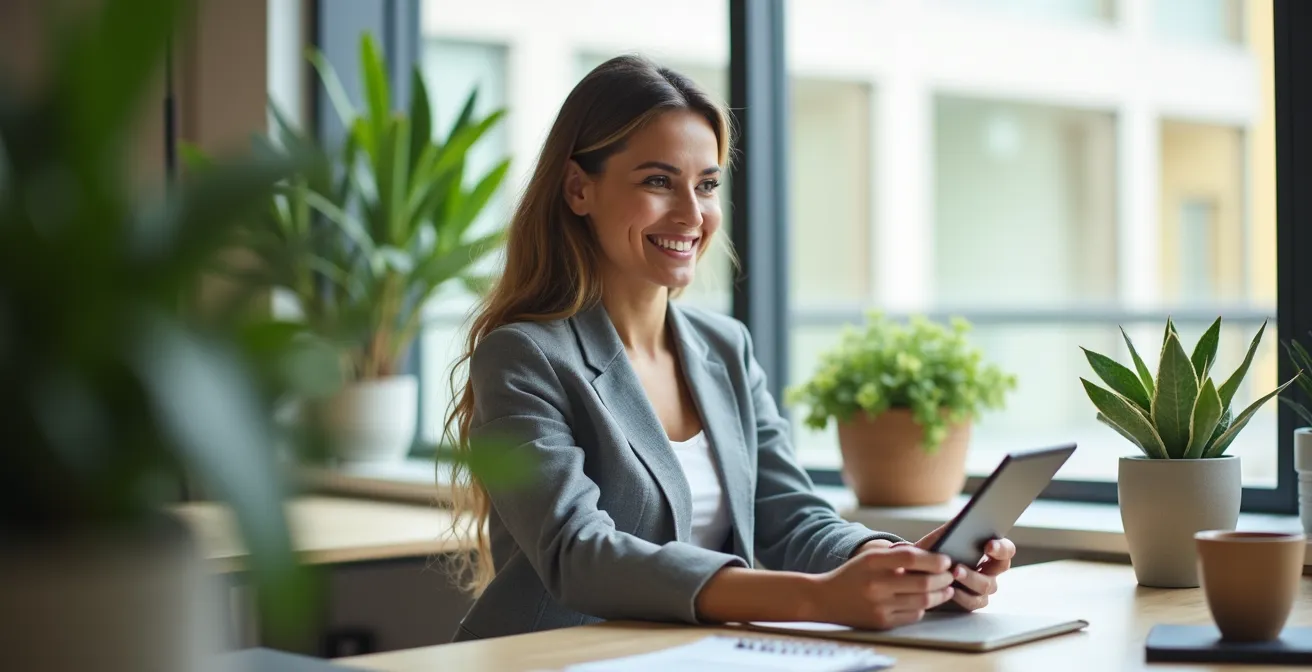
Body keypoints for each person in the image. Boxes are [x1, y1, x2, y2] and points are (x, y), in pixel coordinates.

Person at [442, 54, 1015, 643]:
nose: (693, 214)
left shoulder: (725, 348)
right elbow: (580, 553)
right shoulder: (523, 357)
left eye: (707, 185)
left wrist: (898, 563)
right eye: (658, 181)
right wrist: (817, 598)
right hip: (552, 658)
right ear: (578, 188)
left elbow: (789, 515)